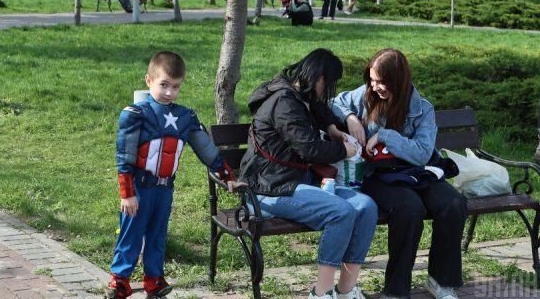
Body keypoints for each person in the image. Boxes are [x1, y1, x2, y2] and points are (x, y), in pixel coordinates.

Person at [239, 49, 377, 299]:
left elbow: (321, 110)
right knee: (341, 212)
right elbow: (309, 149)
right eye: (330, 84)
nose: (328, 90)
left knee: (366, 207)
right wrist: (343, 150)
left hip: (296, 182)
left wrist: (334, 127)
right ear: (320, 78)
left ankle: (346, 291)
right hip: (267, 188)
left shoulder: (300, 95)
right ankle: (321, 293)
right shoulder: (284, 101)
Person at [331, 49, 467, 299]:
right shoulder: (366, 95)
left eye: (381, 81)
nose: (375, 86)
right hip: (377, 174)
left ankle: (441, 281)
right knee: (409, 209)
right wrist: (350, 117)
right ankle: (396, 291)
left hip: (416, 171)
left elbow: (423, 154)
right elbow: (334, 102)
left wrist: (385, 136)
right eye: (372, 80)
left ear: (399, 80)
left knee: (453, 203)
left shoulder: (422, 109)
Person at [108, 51, 237, 299]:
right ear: (149, 81)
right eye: (164, 85)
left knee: (157, 235)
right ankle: (120, 280)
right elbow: (124, 156)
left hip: (165, 189)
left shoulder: (184, 117)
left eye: (175, 87)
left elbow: (206, 149)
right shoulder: (135, 114)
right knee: (131, 234)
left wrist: (227, 176)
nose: (169, 92)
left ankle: (154, 279)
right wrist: (127, 194)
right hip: (140, 187)